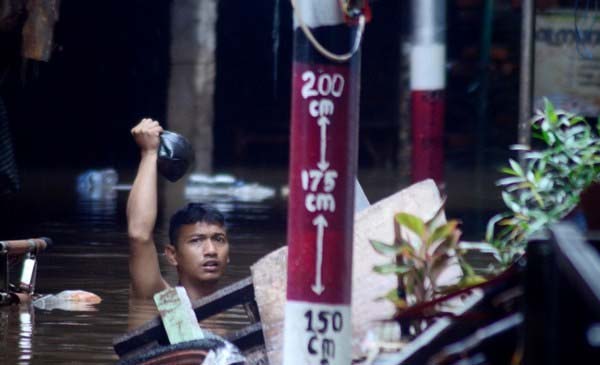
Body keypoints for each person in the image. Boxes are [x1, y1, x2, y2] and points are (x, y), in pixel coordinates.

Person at [127, 118, 229, 301]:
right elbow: (139, 235)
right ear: (172, 255)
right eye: (196, 240)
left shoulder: (238, 310)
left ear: (229, 255)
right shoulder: (163, 301)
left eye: (219, 239)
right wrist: (149, 154)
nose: (211, 250)